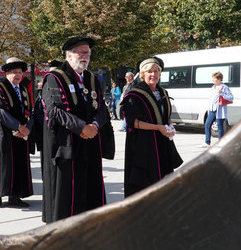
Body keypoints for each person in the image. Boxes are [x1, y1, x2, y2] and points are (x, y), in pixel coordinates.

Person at [41, 36, 112, 223]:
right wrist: (82, 128)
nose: (84, 56)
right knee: (68, 190)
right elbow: (54, 110)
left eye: (87, 52)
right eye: (80, 52)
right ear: (69, 55)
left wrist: (95, 126)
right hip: (68, 144)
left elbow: (102, 108)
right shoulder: (54, 78)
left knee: (90, 185)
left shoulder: (91, 78)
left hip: (90, 142)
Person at [120, 56, 183, 197]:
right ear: (142, 74)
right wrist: (158, 128)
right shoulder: (134, 94)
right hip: (143, 145)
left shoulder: (162, 93)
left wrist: (170, 126)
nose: (153, 75)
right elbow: (133, 122)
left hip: (162, 143)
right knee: (145, 183)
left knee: (163, 181)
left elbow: (166, 117)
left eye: (156, 71)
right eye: (149, 72)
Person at [0, 58, 33, 208]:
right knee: (1, 164)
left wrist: (27, 128)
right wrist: (18, 126)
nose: (17, 75)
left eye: (19, 72)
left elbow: (30, 111)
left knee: (18, 165)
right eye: (14, 72)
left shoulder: (24, 90)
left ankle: (15, 196)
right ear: (6, 73)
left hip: (20, 134)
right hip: (1, 133)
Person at [201, 71, 234, 147]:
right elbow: (211, 99)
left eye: (214, 79)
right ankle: (207, 142)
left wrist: (222, 94)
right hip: (212, 109)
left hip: (220, 110)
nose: (213, 81)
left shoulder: (224, 87)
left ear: (219, 79)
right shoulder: (213, 87)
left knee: (220, 126)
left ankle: (220, 143)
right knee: (207, 125)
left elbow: (231, 98)